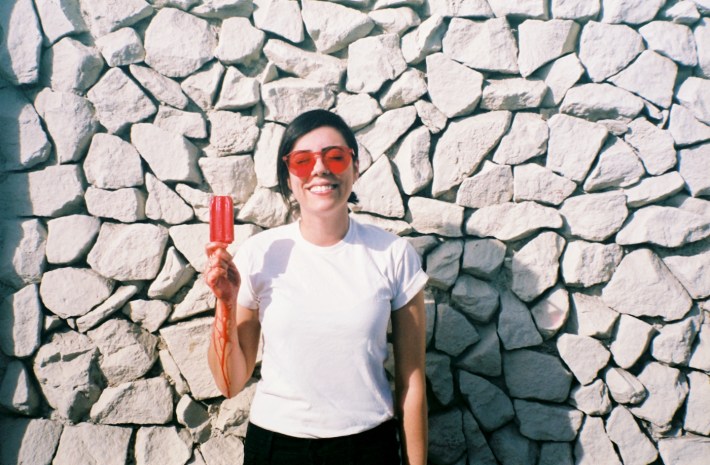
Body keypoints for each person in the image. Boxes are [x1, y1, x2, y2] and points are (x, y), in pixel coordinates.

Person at [205, 109, 428, 465]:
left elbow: (412, 381)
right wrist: (226, 304)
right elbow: (230, 383)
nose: (320, 168)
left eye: (335, 157)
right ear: (288, 176)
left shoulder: (393, 254)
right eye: (303, 160)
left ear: (355, 168)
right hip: (277, 450)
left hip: (368, 448)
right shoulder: (259, 254)